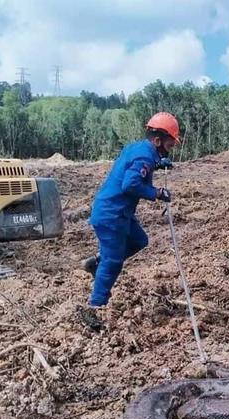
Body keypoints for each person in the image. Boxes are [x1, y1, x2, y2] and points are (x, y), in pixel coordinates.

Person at [80, 112, 180, 325]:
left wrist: (159, 163)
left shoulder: (139, 149)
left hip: (118, 212)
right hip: (112, 215)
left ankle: (97, 264)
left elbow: (136, 166)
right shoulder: (144, 156)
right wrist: (157, 193)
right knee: (114, 262)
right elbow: (131, 184)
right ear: (157, 140)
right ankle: (95, 307)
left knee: (139, 241)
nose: (168, 149)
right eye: (169, 146)